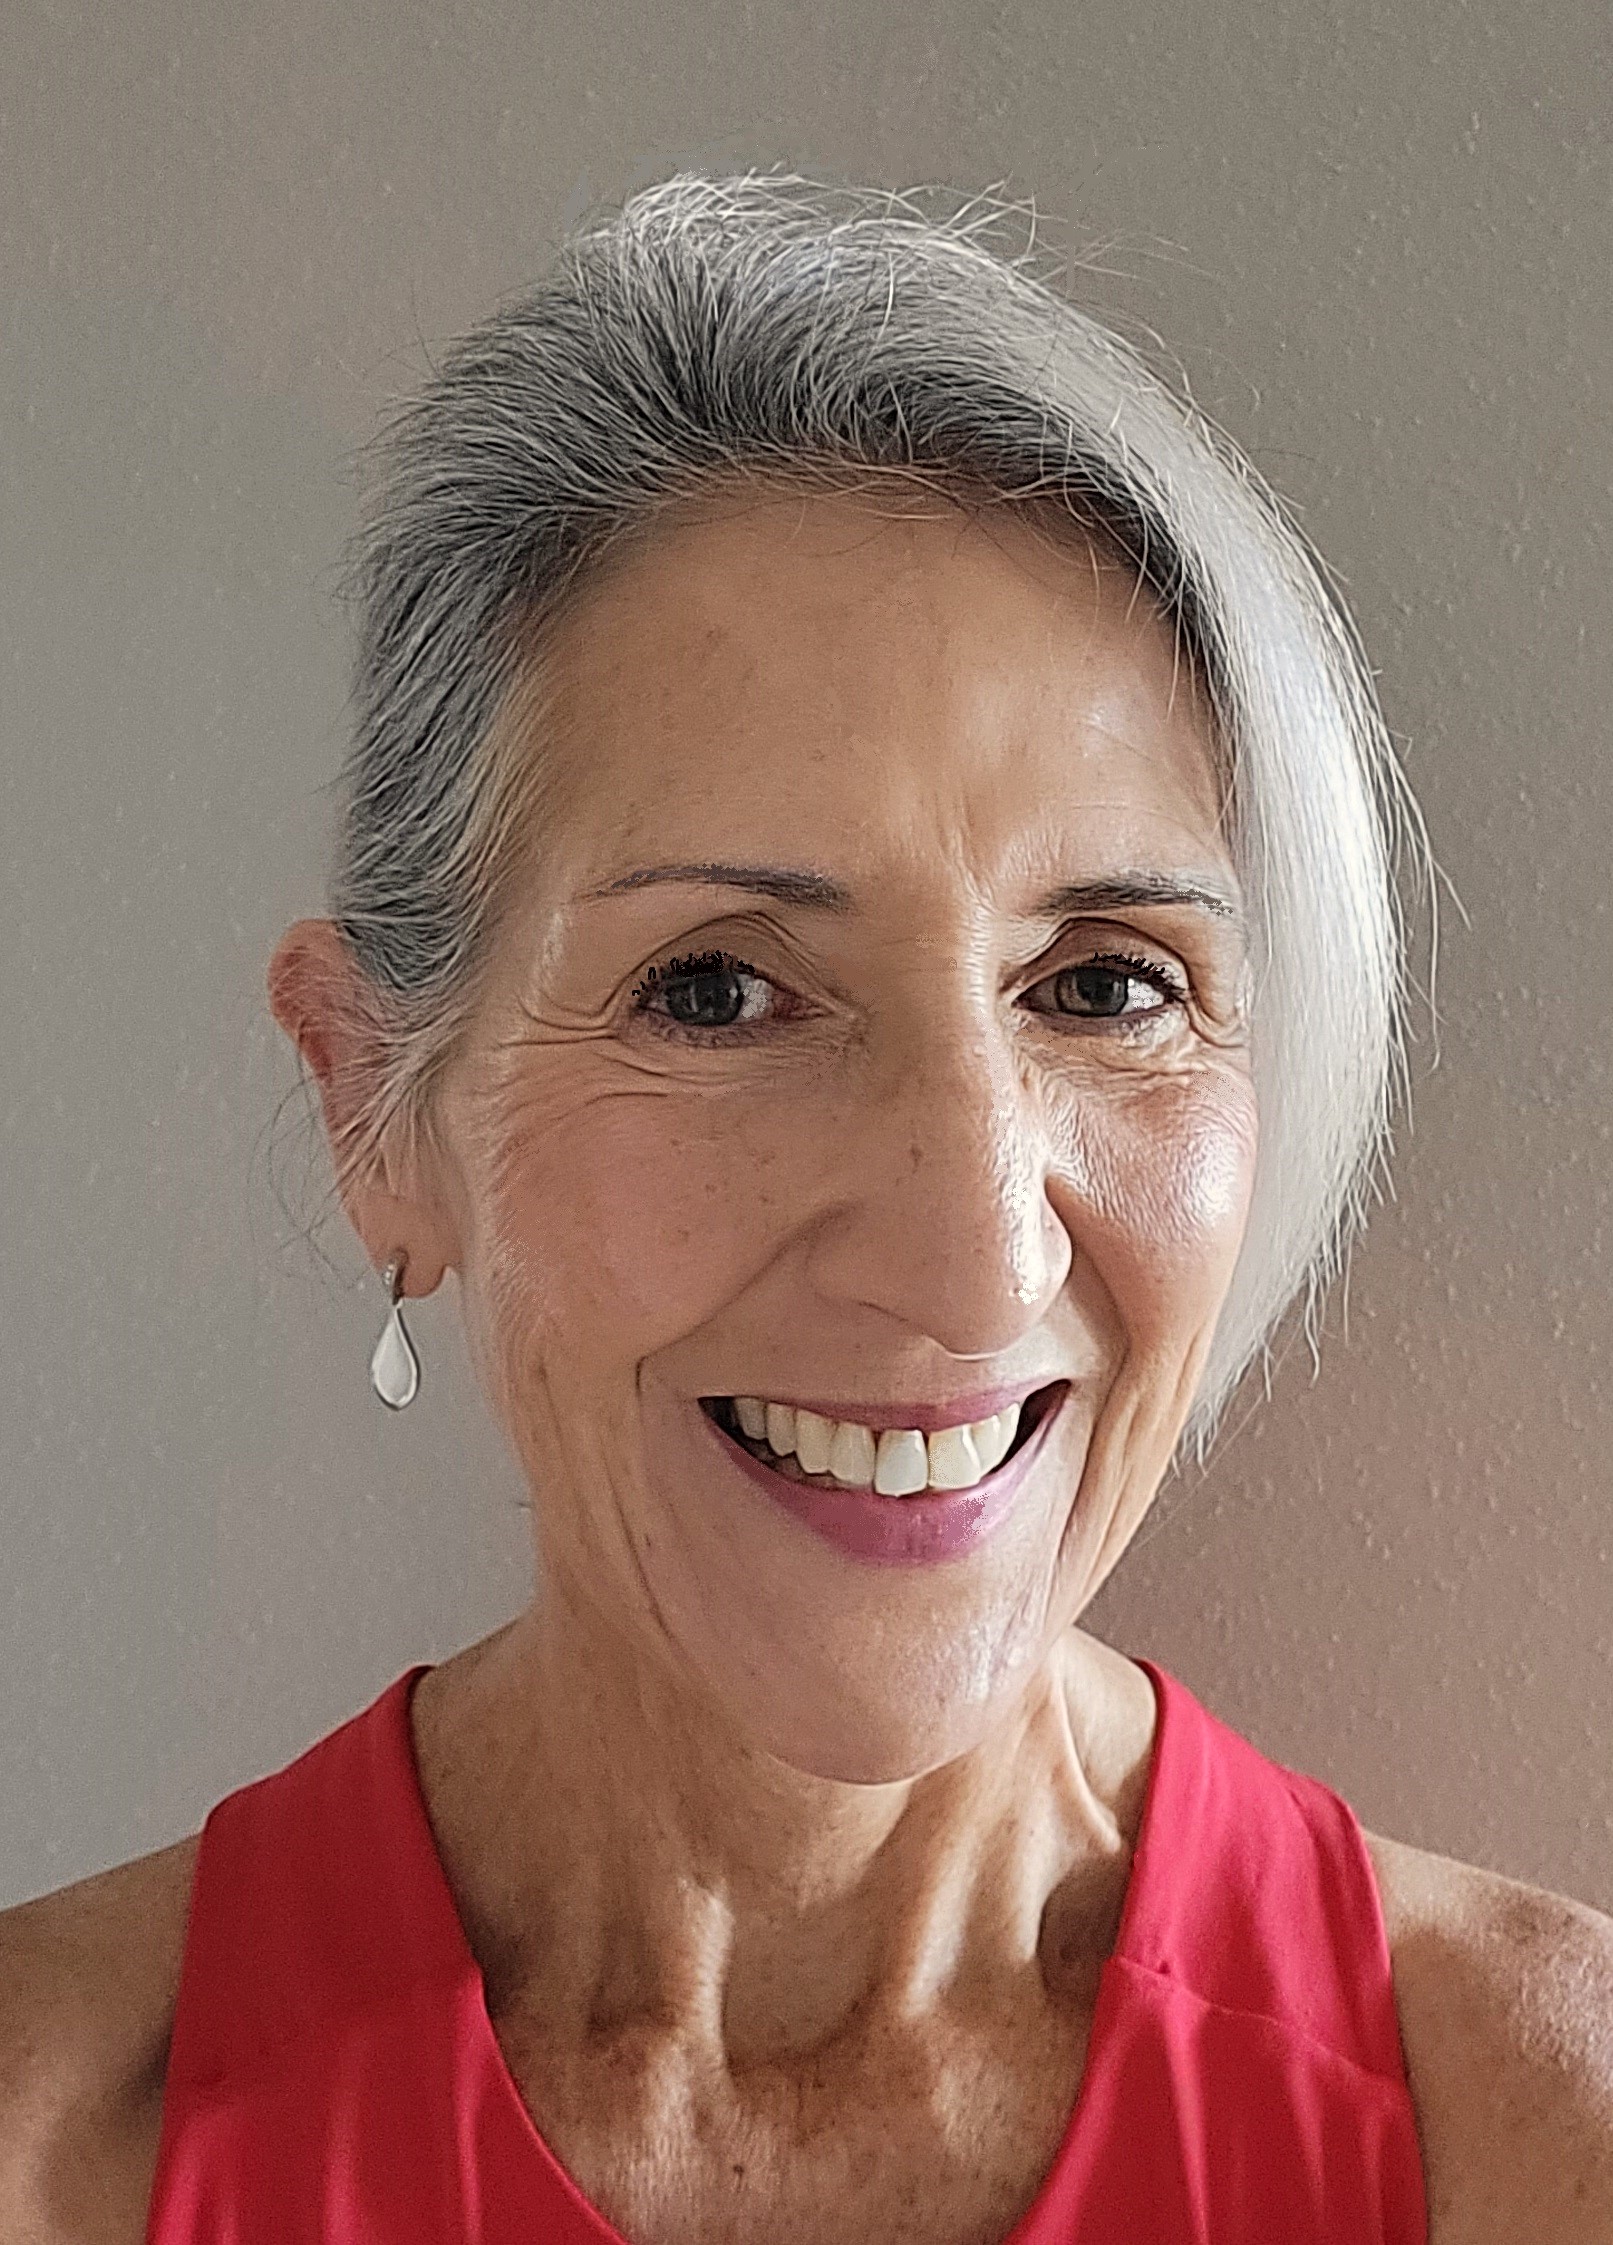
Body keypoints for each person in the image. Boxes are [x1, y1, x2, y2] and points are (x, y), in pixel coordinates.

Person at [3, 172, 1610, 2245]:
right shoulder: (53, 2151)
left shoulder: (1539, 2141)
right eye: (719, 989)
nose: (976, 1257)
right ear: (375, 1109)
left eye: (1108, 984)